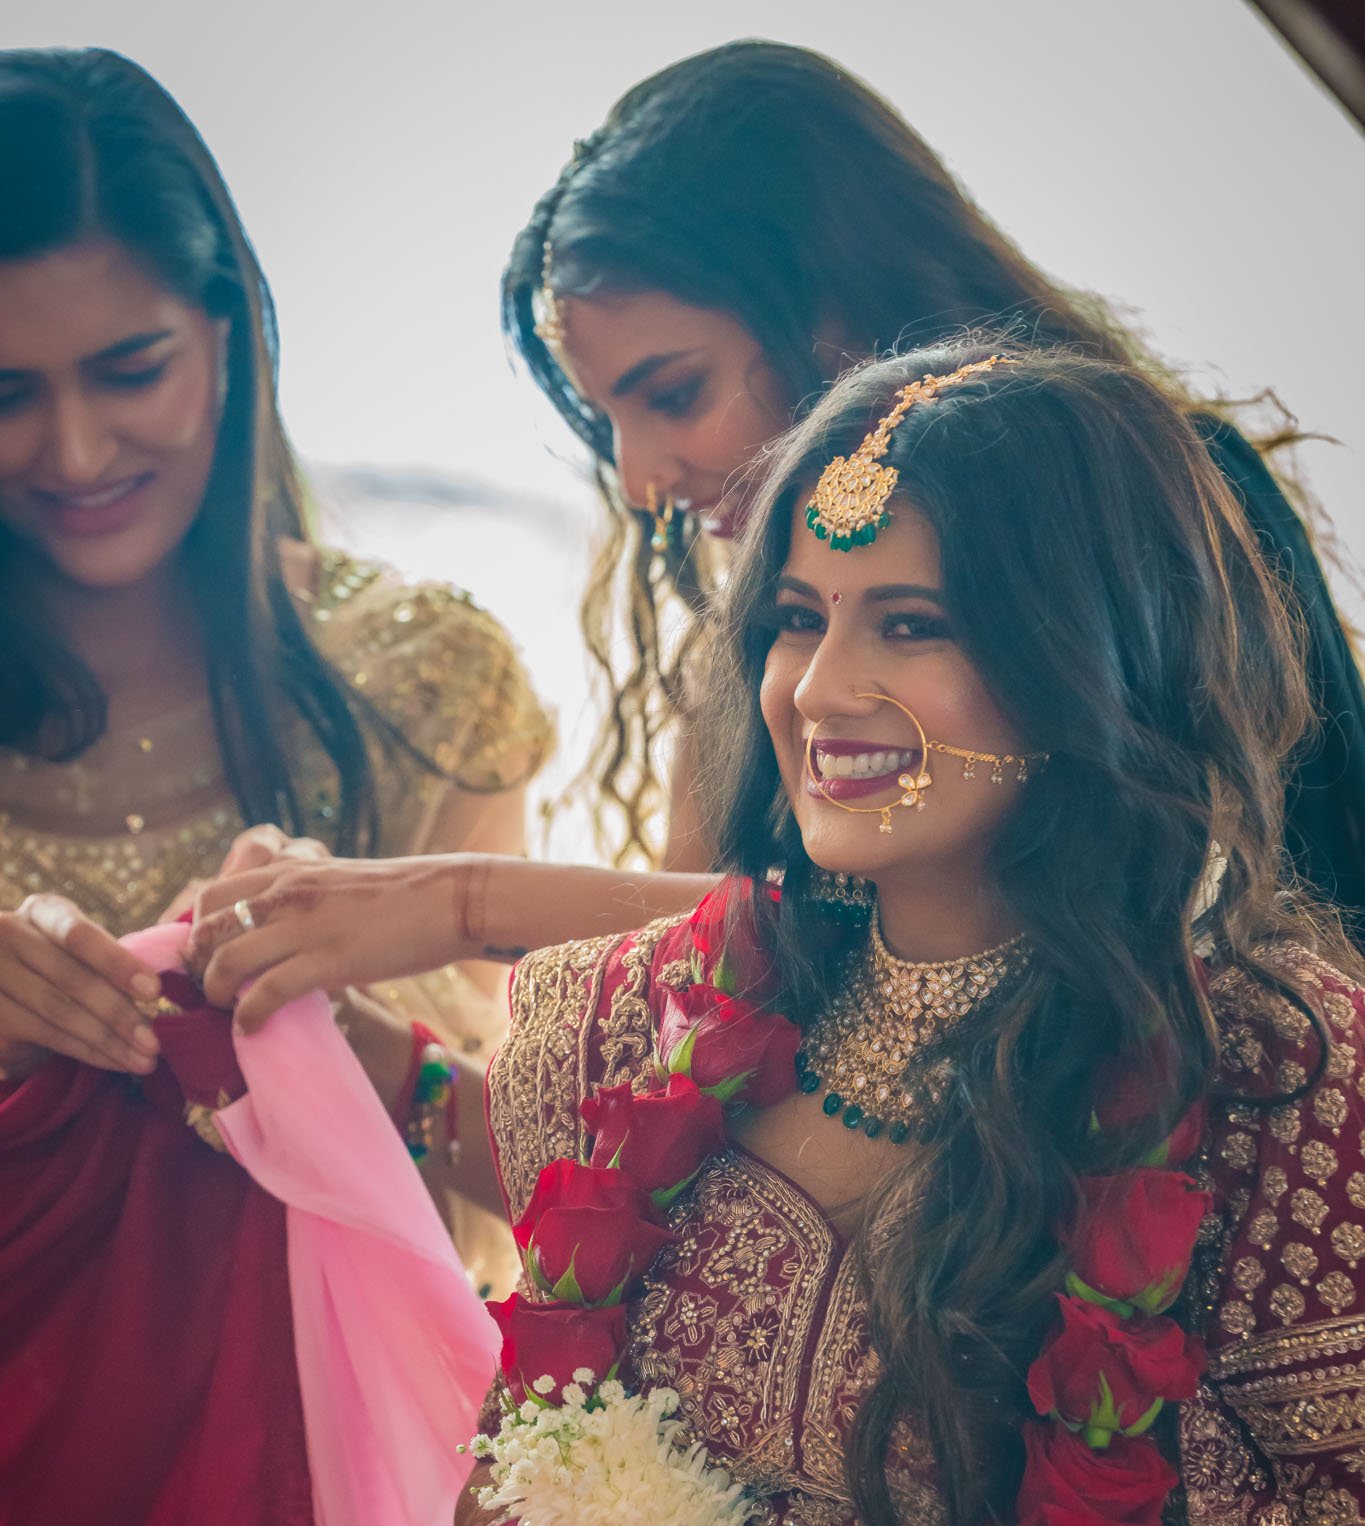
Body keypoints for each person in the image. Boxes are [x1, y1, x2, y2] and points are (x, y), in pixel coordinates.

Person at [201, 342, 1365, 1526]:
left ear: (1088, 654)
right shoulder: (637, 1008)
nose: (819, 686)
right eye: (797, 619)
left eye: (915, 623)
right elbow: (523, 1442)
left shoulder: (1274, 1070)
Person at [0, 47, 550, 1526]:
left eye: (126, 365)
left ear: (232, 325)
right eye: (3, 390)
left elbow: (552, 1190)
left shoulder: (419, 688)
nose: (71, 445)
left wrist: (349, 1010)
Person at [504, 37, 1365, 917]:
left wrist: (465, 902)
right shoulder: (771, 656)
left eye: (675, 394)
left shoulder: (1173, 505)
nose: (638, 480)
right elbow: (691, 1000)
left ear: (837, 305)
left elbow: (1315, 910)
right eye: (605, 422)